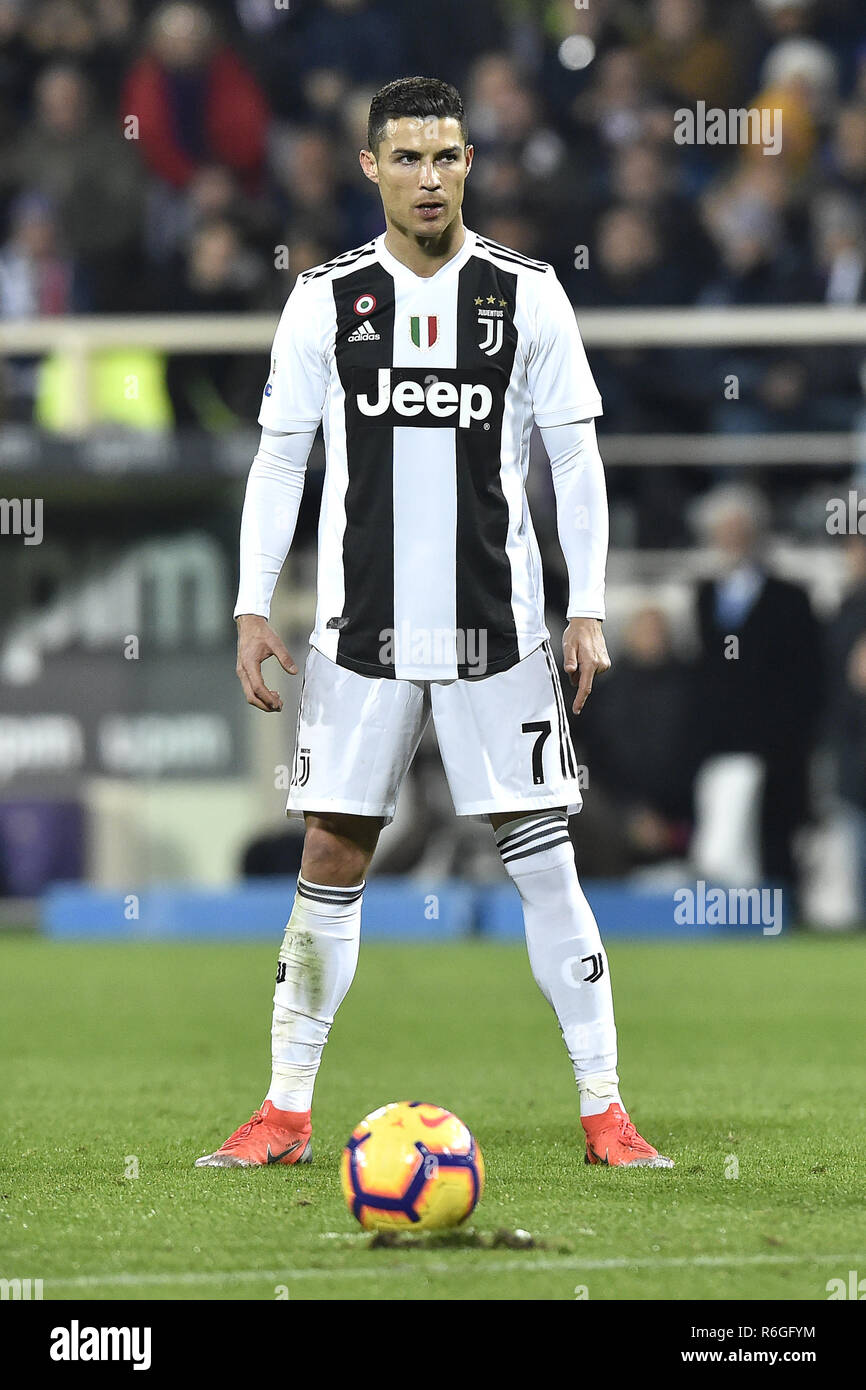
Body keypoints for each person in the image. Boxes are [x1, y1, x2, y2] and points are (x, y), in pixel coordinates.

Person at [197, 76, 673, 1172]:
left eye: (446, 157)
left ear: (470, 164)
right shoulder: (324, 299)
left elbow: (574, 458)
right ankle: (283, 1112)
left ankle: (606, 1113)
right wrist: (251, 603)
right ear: (368, 166)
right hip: (359, 637)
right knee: (329, 849)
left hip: (495, 636)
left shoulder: (525, 295)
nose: (428, 177)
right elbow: (280, 459)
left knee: (543, 860)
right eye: (407, 158)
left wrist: (586, 602)